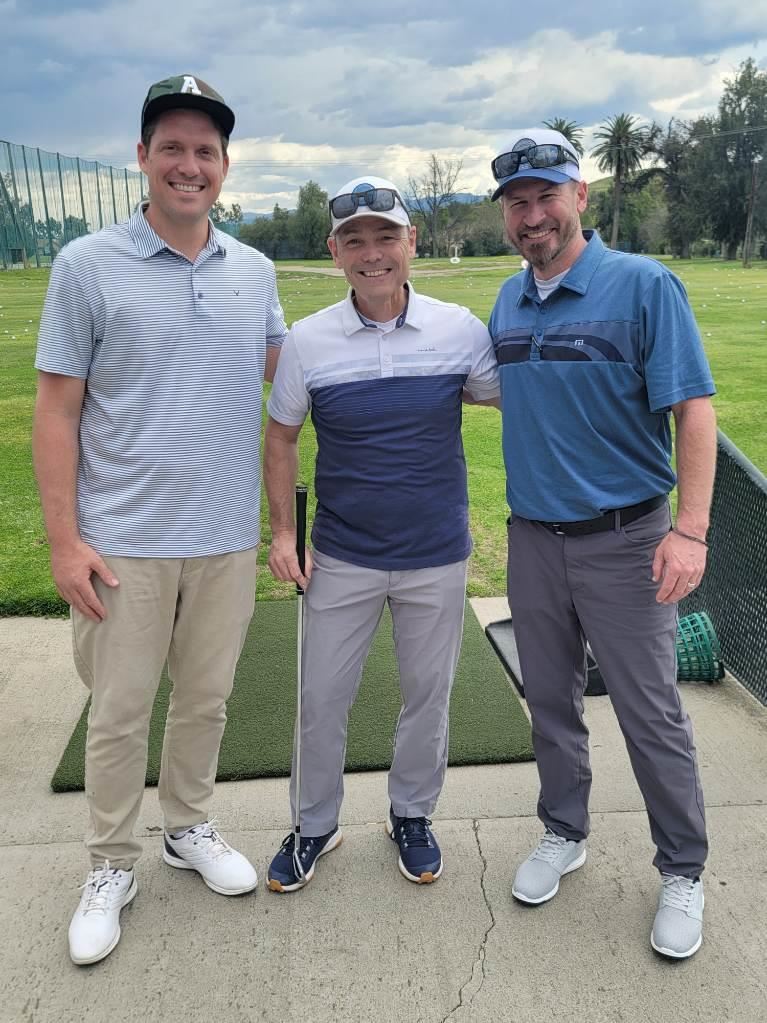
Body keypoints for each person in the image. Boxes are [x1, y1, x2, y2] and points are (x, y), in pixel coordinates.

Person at [33, 74, 287, 966]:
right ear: (142, 157)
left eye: (205, 151)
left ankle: (187, 826)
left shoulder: (253, 270)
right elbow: (57, 410)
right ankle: (110, 862)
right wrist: (65, 541)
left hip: (222, 536)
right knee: (119, 712)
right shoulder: (85, 265)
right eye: (171, 147)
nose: (189, 164)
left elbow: (284, 375)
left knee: (207, 702)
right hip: (122, 543)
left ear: (223, 166)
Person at [487, 129, 716, 959]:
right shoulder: (508, 302)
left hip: (627, 539)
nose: (532, 214)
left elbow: (693, 409)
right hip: (532, 540)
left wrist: (688, 529)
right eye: (517, 201)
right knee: (549, 701)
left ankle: (682, 868)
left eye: (546, 195)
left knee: (649, 713)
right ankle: (563, 830)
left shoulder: (642, 284)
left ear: (579, 196)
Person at [263, 176, 499, 891]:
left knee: (428, 694)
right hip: (341, 554)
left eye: (385, 237)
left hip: (434, 554)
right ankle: (312, 824)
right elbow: (280, 438)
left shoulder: (459, 329)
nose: (372, 254)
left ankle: (411, 814)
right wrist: (282, 533)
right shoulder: (308, 342)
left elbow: (513, 397)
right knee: (321, 697)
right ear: (334, 251)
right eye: (355, 240)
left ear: (411, 243)